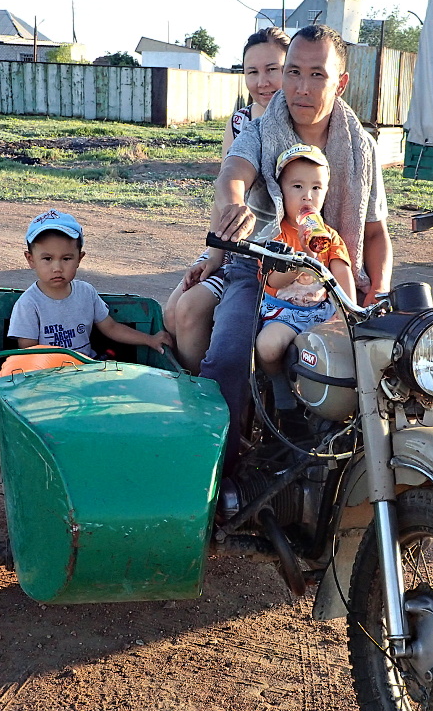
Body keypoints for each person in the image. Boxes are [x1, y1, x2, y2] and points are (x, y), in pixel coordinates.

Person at [198, 25, 393, 472]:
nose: (302, 88)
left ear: (340, 82)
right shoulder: (263, 129)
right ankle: (220, 478)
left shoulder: (360, 147)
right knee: (228, 355)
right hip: (263, 270)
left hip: (333, 273)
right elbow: (234, 168)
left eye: (317, 75)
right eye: (293, 72)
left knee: (390, 358)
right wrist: (231, 204)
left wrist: (376, 289)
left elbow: (376, 232)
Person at [163, 27, 290, 374]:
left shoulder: (301, 123)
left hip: (272, 254)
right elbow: (225, 192)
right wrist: (214, 253)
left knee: (190, 310)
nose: (262, 82)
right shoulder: (240, 123)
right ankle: (196, 398)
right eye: (252, 72)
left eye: (272, 69)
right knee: (172, 311)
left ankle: (216, 402)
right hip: (234, 243)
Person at [255, 144, 356, 412]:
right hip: (284, 312)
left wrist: (345, 312)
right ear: (281, 192)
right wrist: (300, 256)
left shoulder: (330, 236)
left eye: (316, 188)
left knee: (352, 350)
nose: (306, 197)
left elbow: (341, 271)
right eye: (297, 187)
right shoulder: (276, 235)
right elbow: (272, 282)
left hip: (322, 311)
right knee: (267, 346)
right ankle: (279, 386)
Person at [9, 208, 171, 356]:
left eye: (66, 258)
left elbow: (111, 328)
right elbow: (29, 352)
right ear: (30, 260)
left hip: (87, 369)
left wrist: (150, 340)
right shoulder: (28, 304)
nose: (57, 267)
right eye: (47, 259)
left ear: (79, 258)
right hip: (48, 374)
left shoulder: (86, 292)